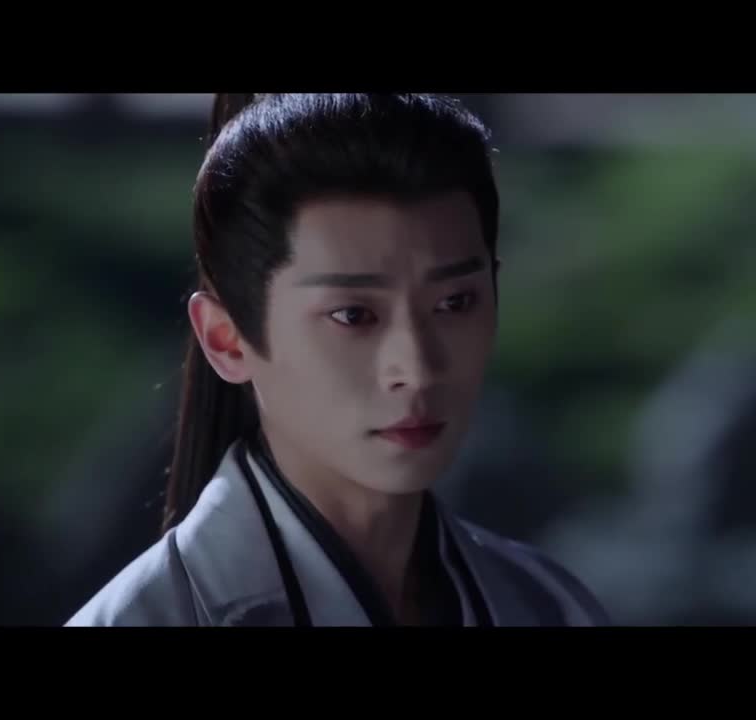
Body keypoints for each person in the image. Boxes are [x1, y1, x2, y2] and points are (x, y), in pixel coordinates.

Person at [67, 94, 610, 627]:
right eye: (353, 315)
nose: (416, 368)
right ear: (226, 340)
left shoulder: (550, 606)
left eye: (454, 303)